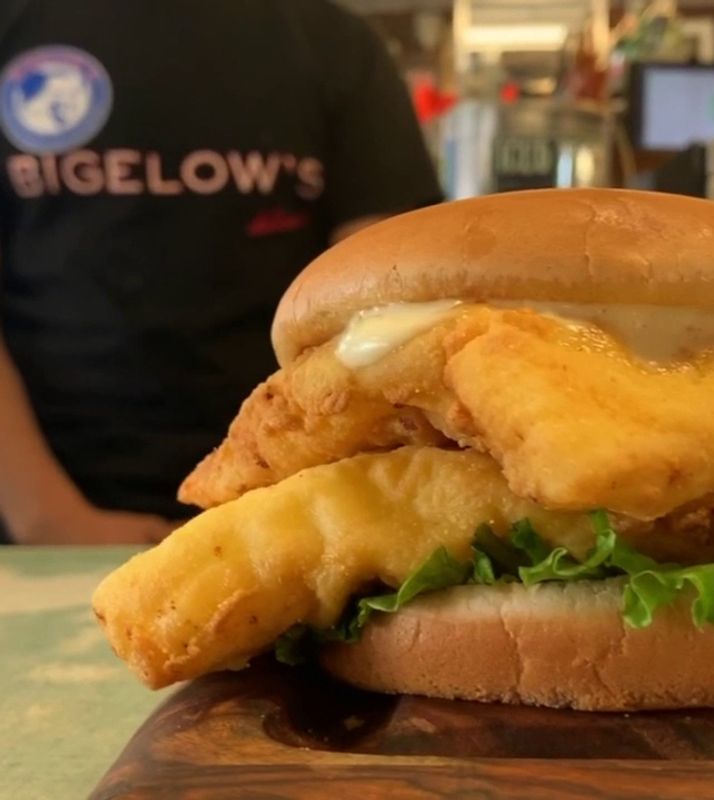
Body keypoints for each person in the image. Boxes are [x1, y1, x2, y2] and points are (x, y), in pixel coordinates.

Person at [0, 0, 442, 545]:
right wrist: (45, 514)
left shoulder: (333, 42)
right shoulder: (15, 26)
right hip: (42, 507)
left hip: (297, 503)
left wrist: (327, 500)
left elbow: (389, 293)